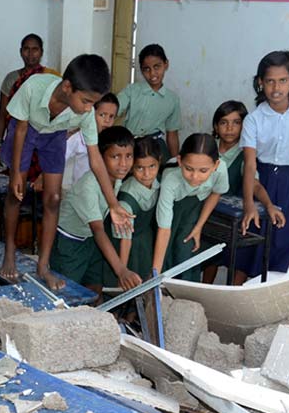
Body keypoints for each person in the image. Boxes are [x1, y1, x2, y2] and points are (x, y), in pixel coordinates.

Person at [0, 54, 132, 290]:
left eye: (93, 103)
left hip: (55, 135)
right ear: (67, 87)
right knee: (15, 193)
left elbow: (96, 160)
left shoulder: (85, 113)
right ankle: (9, 250)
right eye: (86, 101)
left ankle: (43, 266)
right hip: (26, 130)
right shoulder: (34, 86)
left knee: (54, 199)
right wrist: (17, 174)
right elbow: (20, 129)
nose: (89, 109)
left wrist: (113, 204)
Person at [236, 50, 289, 283]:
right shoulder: (254, 119)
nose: (276, 88)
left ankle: (267, 300)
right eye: (270, 81)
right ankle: (241, 297)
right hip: (259, 181)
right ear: (260, 83)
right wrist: (248, 206)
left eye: (282, 80)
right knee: (250, 245)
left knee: (282, 244)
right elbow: (250, 165)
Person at [51, 126, 142, 296]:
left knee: (94, 287)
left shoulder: (116, 179)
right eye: (115, 157)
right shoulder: (89, 185)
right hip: (69, 242)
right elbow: (98, 229)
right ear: (99, 158)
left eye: (128, 156)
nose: (123, 164)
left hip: (90, 240)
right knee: (66, 293)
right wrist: (121, 270)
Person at [201, 100, 285, 284]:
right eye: (224, 122)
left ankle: (232, 294)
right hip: (206, 214)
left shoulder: (245, 154)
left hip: (230, 217)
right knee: (207, 256)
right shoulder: (206, 147)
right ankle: (204, 290)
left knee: (243, 250)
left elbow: (254, 184)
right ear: (216, 126)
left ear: (244, 126)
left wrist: (269, 204)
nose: (229, 128)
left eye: (236, 123)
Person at [152, 133, 228, 281]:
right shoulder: (170, 180)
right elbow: (164, 230)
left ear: (215, 165)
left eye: (203, 171)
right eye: (189, 168)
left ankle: (185, 293)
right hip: (171, 210)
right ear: (179, 161)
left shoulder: (221, 170)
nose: (195, 176)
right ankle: (160, 285)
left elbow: (215, 194)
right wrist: (155, 276)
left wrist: (199, 226)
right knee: (165, 251)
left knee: (186, 248)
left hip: (195, 208)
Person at [0, 33, 59, 170]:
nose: (30, 54)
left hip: (44, 139)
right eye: (26, 49)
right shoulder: (11, 79)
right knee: (16, 180)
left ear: (41, 52)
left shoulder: (52, 77)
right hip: (17, 138)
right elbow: (2, 114)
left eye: (35, 49)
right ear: (20, 52)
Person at [103, 136, 161, 287]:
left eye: (152, 167)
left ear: (159, 162)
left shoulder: (157, 183)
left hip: (144, 242)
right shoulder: (126, 200)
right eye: (139, 168)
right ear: (132, 167)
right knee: (126, 289)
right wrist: (122, 271)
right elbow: (125, 240)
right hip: (125, 247)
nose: (147, 174)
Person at [116, 44, 181, 163]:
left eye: (157, 67)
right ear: (141, 70)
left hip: (156, 146)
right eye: (147, 69)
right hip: (131, 145)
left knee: (161, 177)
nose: (152, 74)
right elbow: (114, 109)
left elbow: (172, 134)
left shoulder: (172, 99)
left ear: (166, 64)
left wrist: (175, 161)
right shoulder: (132, 90)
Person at [65, 93, 118, 187]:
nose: (107, 120)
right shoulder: (79, 137)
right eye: (102, 115)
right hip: (81, 191)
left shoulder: (114, 141)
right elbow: (60, 158)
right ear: (91, 114)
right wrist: (42, 177)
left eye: (111, 116)